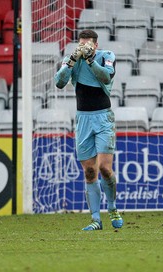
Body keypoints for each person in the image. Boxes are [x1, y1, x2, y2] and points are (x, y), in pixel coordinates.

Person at [54, 29, 123, 231]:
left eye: (88, 45)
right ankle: (95, 219)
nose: (84, 48)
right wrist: (72, 61)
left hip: (103, 117)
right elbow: (59, 83)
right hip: (83, 119)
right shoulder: (72, 59)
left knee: (104, 168)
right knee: (90, 171)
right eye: (81, 44)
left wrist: (92, 60)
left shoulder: (106, 56)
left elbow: (107, 78)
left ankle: (112, 207)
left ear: (95, 44)